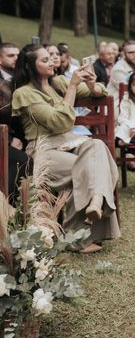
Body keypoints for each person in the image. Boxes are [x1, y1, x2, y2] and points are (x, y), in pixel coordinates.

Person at [12, 44, 120, 254]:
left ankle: (96, 201)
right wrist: (71, 88)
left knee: (97, 145)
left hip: (70, 142)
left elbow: (100, 91)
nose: (52, 61)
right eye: (44, 60)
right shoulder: (23, 93)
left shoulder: (57, 82)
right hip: (44, 149)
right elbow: (59, 122)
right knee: (86, 170)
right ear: (29, 66)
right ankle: (75, 239)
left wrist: (91, 83)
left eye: (51, 58)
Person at [0, 42, 30, 203]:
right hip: (3, 136)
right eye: (10, 55)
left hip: (24, 135)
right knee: (22, 160)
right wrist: (10, 140)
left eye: (18, 55)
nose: (16, 59)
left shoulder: (23, 79)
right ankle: (10, 207)